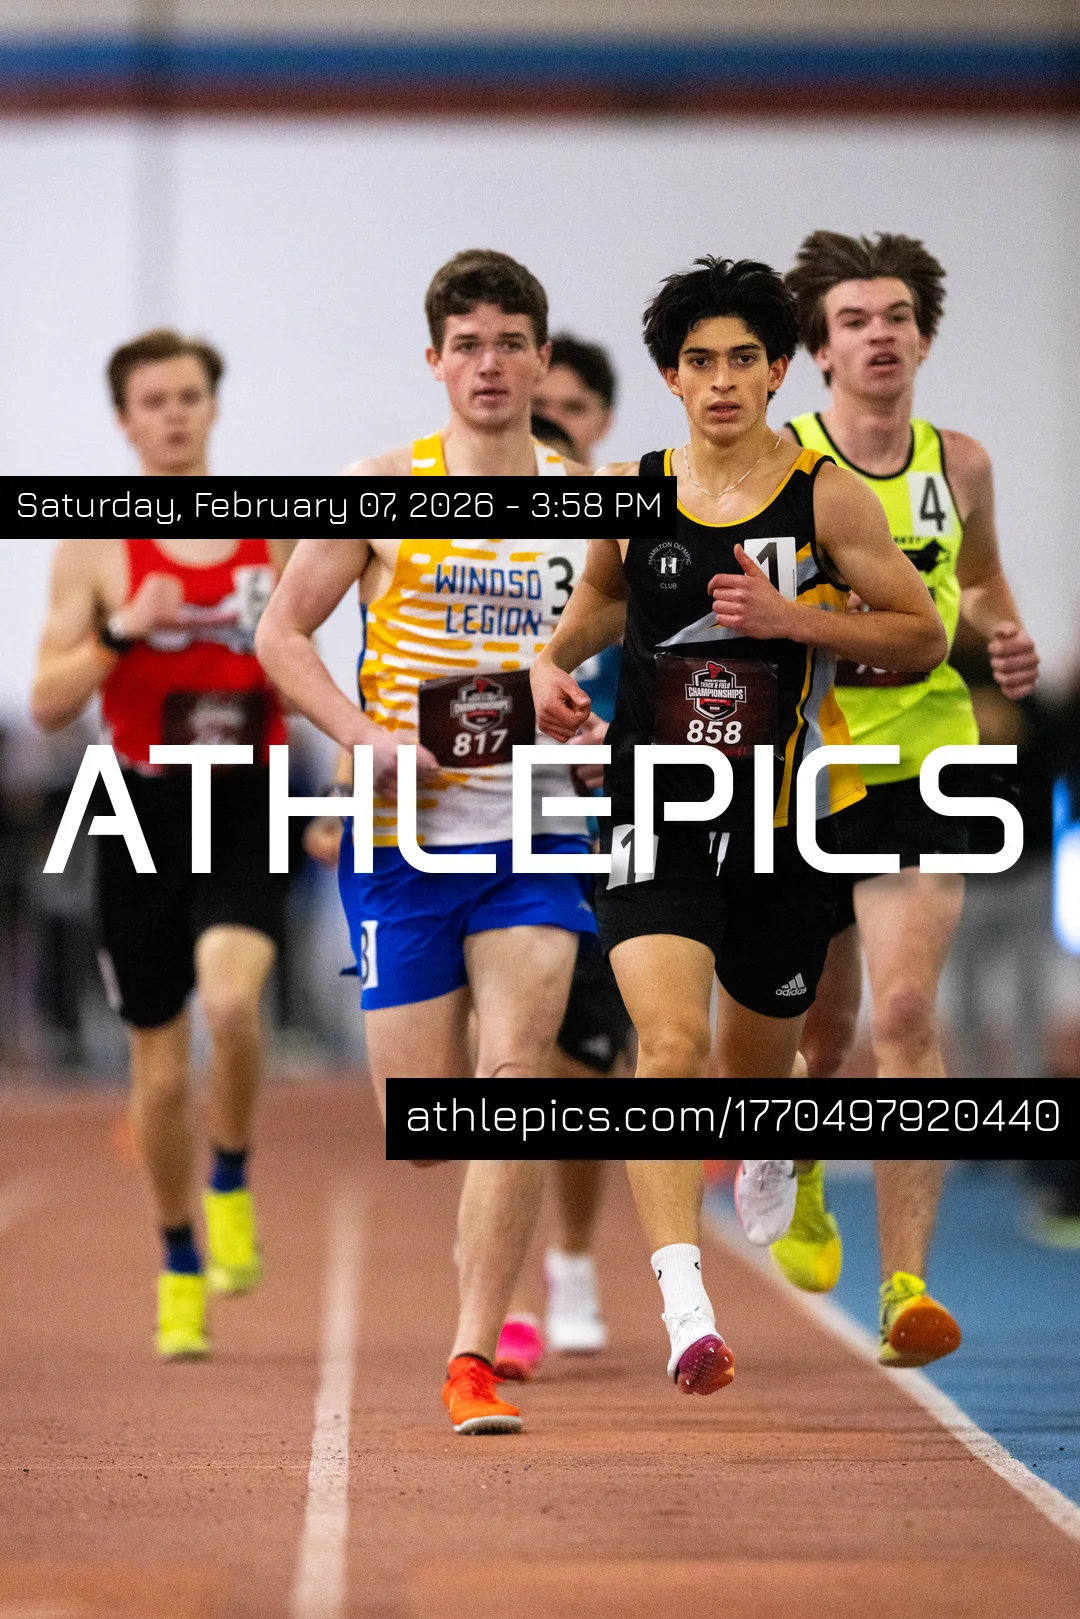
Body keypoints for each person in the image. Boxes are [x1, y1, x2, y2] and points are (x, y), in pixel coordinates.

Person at [531, 256, 946, 1396]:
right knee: (666, 1048)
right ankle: (685, 1307)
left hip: (776, 818)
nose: (721, 381)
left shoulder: (826, 496)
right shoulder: (634, 488)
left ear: (776, 372)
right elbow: (602, 599)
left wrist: (792, 618)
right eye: (699, 361)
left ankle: (772, 1132)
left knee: (750, 1059)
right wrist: (548, 661)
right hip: (652, 810)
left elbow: (919, 634)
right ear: (672, 377)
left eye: (742, 360)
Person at [256, 249, 601, 1435]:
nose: (489, 363)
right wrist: (361, 736)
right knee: (422, 1122)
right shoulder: (378, 487)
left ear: (542, 359)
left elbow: (611, 647)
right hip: (403, 835)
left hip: (534, 829)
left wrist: (591, 724)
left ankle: (472, 1354)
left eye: (510, 343)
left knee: (518, 1080)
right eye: (468, 345)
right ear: (435, 361)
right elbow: (281, 634)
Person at [769, 231, 1039, 1366]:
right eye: (854, 321)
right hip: (808, 765)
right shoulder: (784, 462)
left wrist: (1006, 634)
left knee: (909, 1010)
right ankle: (800, 1164)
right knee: (823, 1034)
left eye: (895, 318)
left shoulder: (960, 462)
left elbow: (978, 576)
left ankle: (905, 1289)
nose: (879, 336)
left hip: (929, 762)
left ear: (922, 339)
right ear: (820, 352)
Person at [31, 328, 293, 1359]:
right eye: (154, 400)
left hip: (248, 799)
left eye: (189, 395)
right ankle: (180, 1259)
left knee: (230, 1003)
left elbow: (311, 663)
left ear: (213, 406)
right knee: (159, 1066)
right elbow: (47, 701)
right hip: (139, 808)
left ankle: (229, 1176)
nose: (174, 414)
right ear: (125, 419)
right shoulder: (95, 544)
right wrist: (122, 629)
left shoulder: (271, 533)